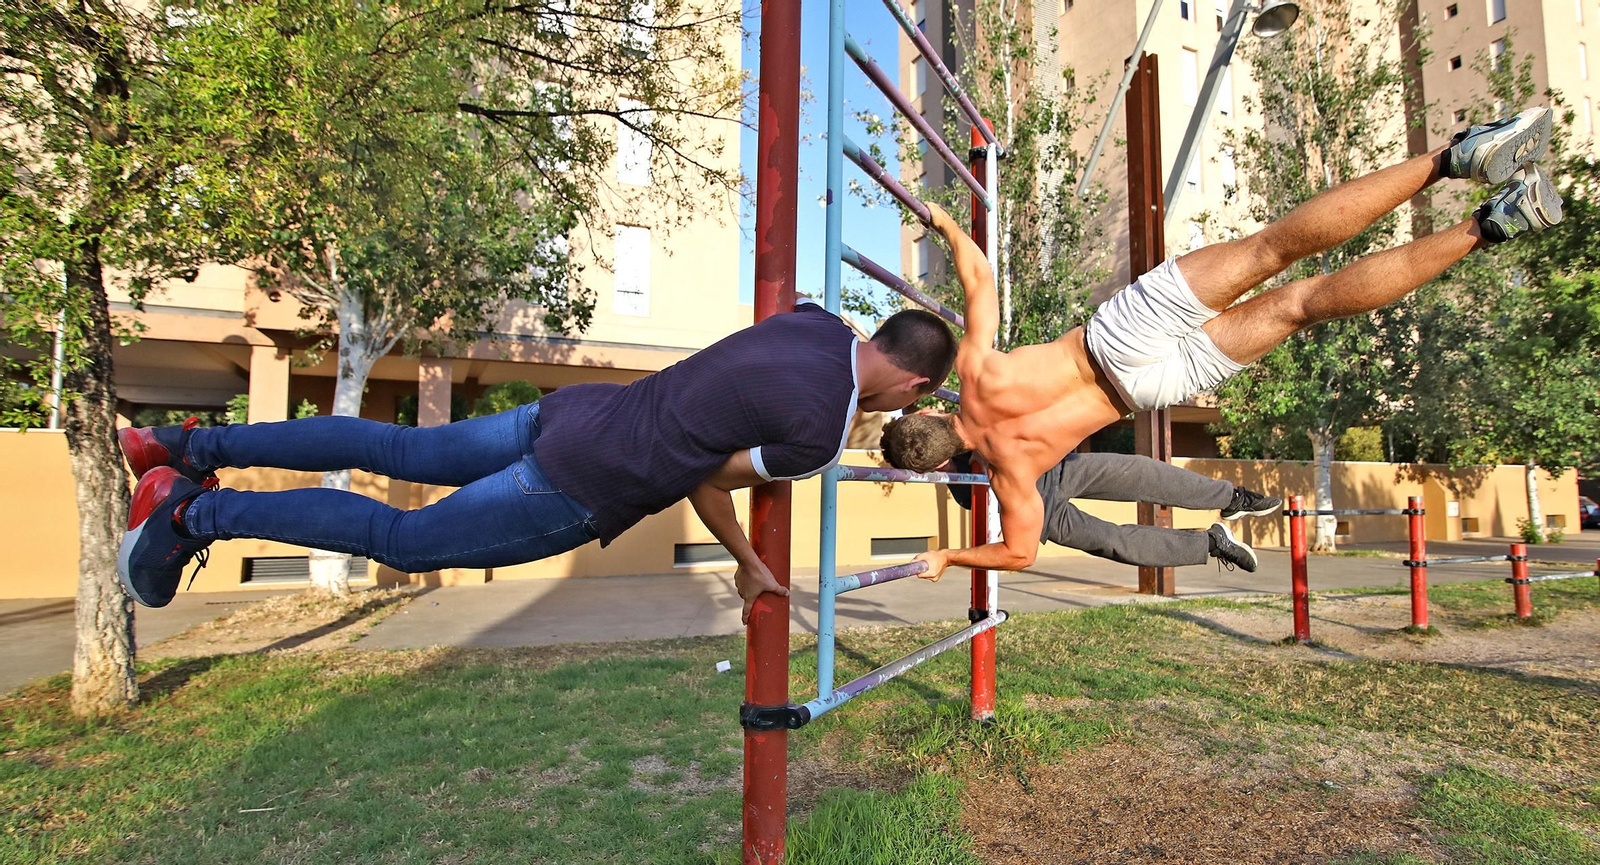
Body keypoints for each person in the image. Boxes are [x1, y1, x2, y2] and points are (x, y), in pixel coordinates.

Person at [881, 108, 1563, 579]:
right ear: (929, 409)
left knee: (1301, 306)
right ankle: (1454, 158)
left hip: (1144, 387)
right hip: (1118, 334)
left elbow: (1020, 553)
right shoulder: (976, 372)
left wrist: (948, 557)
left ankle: (1491, 225)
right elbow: (979, 278)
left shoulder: (1010, 476)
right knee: (1272, 248)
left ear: (943, 464)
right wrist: (945, 222)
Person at [118, 301, 958, 618]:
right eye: (912, 399)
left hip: (575, 411)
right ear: (915, 383)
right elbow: (708, 477)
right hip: (581, 483)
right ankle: (190, 513)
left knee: (393, 444)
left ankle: (183, 447)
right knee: (401, 540)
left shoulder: (815, 322)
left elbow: (742, 387)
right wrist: (747, 562)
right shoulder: (819, 435)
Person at [945, 451, 1281, 571]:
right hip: (1040, 516)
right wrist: (949, 557)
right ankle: (1213, 543)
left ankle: (1232, 498)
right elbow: (1016, 546)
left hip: (1056, 470)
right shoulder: (958, 484)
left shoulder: (955, 428)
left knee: (1143, 474)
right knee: (1116, 544)